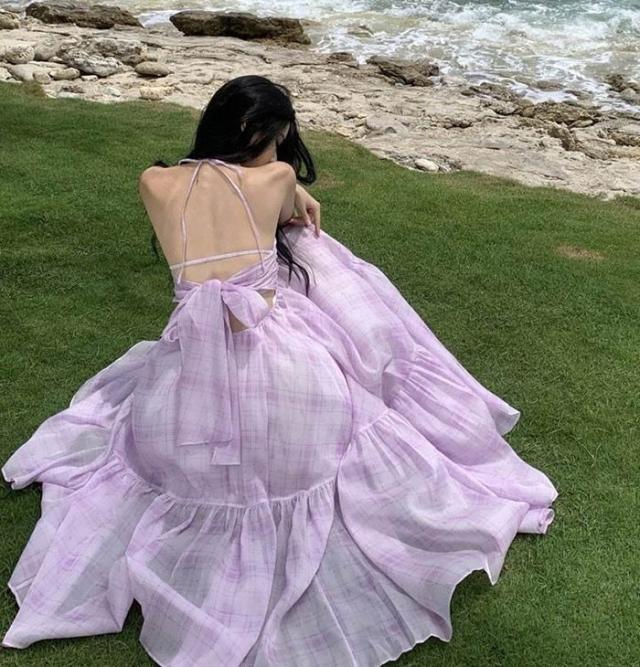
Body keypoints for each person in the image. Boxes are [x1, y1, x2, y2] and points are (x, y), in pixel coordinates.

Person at [1, 74, 558, 666]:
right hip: (282, 361)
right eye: (280, 139)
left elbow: (221, 194)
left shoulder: (153, 181)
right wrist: (295, 190)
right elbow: (284, 201)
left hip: (187, 366)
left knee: (151, 433)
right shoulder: (277, 178)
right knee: (348, 402)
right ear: (265, 132)